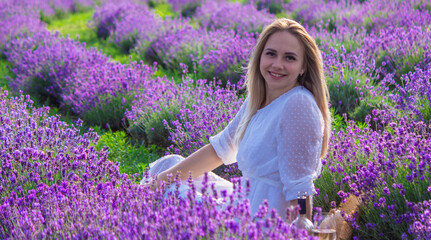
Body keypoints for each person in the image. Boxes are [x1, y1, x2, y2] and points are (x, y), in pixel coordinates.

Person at [142, 18, 331, 222]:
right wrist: (155, 184)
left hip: (261, 222)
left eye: (290, 58)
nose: (278, 64)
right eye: (271, 54)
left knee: (171, 193)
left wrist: (301, 229)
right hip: (244, 200)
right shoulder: (260, 98)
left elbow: (300, 188)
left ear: (303, 67)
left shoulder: (298, 105)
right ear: (260, 57)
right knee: (168, 167)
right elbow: (221, 149)